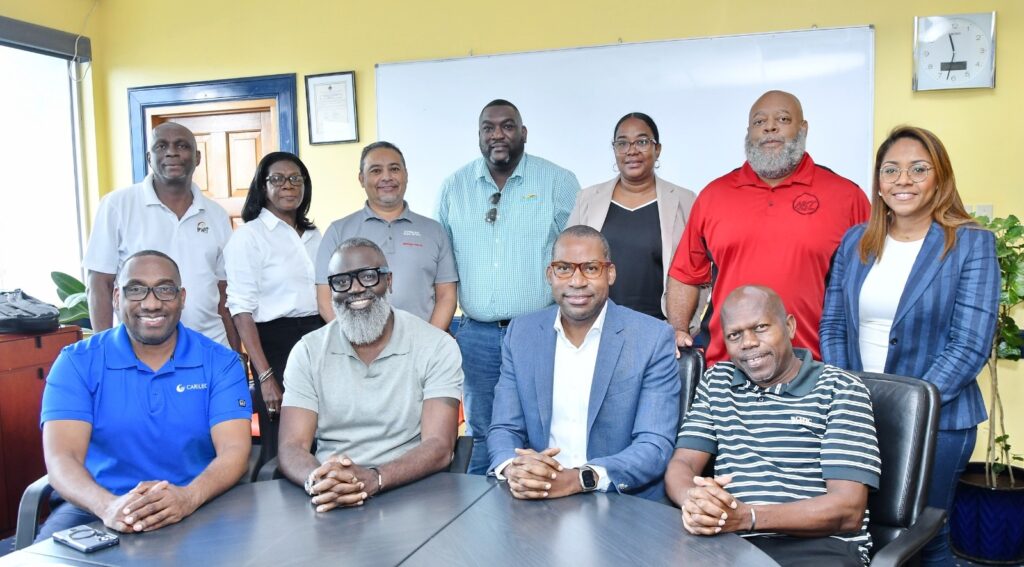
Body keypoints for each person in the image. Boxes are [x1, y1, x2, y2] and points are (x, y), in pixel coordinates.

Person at [820, 126, 999, 566]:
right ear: (878, 183)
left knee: (924, 538)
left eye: (919, 170)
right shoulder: (856, 242)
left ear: (939, 178)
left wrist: (907, 408)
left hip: (940, 421)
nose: (904, 180)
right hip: (859, 414)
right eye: (891, 170)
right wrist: (851, 399)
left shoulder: (971, 243)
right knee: (866, 530)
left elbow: (969, 345)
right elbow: (834, 325)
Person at [38, 250, 253, 538]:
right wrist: (108, 507)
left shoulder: (220, 363)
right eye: (136, 290)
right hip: (95, 505)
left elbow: (235, 451)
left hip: (200, 499)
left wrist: (187, 498)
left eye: (165, 290)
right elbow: (62, 458)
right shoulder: (77, 362)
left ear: (182, 297)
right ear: (116, 298)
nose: (151, 304)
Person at [668, 285, 880, 566]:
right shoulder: (717, 382)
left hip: (818, 546)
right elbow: (683, 464)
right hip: (730, 541)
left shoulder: (840, 389)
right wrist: (695, 501)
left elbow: (847, 510)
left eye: (760, 328)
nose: (748, 343)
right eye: (735, 335)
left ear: (789, 327)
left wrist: (749, 517)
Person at [666, 90, 869, 365]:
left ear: (803, 128)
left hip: (814, 366)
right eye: (760, 122)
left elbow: (867, 283)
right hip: (727, 365)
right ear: (748, 132)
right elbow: (685, 274)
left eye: (783, 119)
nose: (770, 127)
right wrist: (678, 329)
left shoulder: (846, 197)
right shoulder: (714, 196)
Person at [439, 99, 580, 474]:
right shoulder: (454, 187)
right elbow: (441, 264)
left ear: (523, 133)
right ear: (479, 135)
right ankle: (482, 521)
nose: (497, 134)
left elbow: (578, 256)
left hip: (541, 331)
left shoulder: (558, 181)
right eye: (488, 127)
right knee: (482, 429)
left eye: (507, 126)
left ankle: (543, 511)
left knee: (543, 427)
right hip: (477, 336)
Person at [488, 226, 680, 501]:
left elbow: (654, 445)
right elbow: (504, 428)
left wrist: (581, 478)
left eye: (590, 268)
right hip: (536, 500)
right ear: (550, 275)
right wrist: (514, 469)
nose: (577, 281)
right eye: (564, 268)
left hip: (619, 503)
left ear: (610, 273)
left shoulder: (651, 337)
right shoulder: (521, 334)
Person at [278, 238, 463, 511]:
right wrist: (319, 481)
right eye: (341, 281)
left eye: (368, 276)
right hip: (329, 495)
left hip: (411, 492)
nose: (355, 290)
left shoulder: (435, 346)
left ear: (388, 281)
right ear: (331, 291)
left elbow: (439, 446)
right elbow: (292, 445)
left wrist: (375, 478)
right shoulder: (307, 351)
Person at [83, 122, 239, 349]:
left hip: (210, 346)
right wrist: (104, 352)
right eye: (161, 146)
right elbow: (99, 284)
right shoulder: (117, 205)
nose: (172, 152)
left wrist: (235, 354)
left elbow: (224, 292)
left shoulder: (216, 214)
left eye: (182, 145)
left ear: (197, 157)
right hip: (139, 351)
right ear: (149, 158)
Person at [224, 151, 323, 465]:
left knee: (321, 435)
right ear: (261, 187)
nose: (288, 186)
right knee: (283, 443)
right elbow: (240, 310)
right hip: (275, 344)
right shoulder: (249, 238)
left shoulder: (313, 235)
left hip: (318, 338)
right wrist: (265, 376)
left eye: (296, 179)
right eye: (277, 179)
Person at [569, 112, 705, 326]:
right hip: (597, 326)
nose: (631, 150)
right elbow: (569, 262)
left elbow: (701, 270)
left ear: (657, 149)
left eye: (642, 142)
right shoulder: (587, 199)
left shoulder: (684, 200)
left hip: (661, 328)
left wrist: (686, 324)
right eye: (622, 143)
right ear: (614, 150)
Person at [315, 142, 457, 331]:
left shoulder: (434, 231)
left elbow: (446, 296)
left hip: (422, 348)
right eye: (375, 171)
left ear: (405, 175)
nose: (387, 177)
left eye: (394, 169)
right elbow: (325, 299)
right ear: (361, 179)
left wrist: (428, 343)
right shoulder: (338, 231)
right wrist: (355, 341)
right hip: (359, 348)